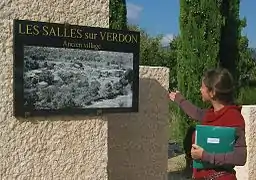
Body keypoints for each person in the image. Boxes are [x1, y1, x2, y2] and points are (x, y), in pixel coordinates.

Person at [169, 68, 247, 180]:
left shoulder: (233, 118)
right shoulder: (211, 113)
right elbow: (196, 113)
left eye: (203, 87)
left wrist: (205, 156)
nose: (200, 89)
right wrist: (179, 99)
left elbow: (240, 157)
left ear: (212, 92)